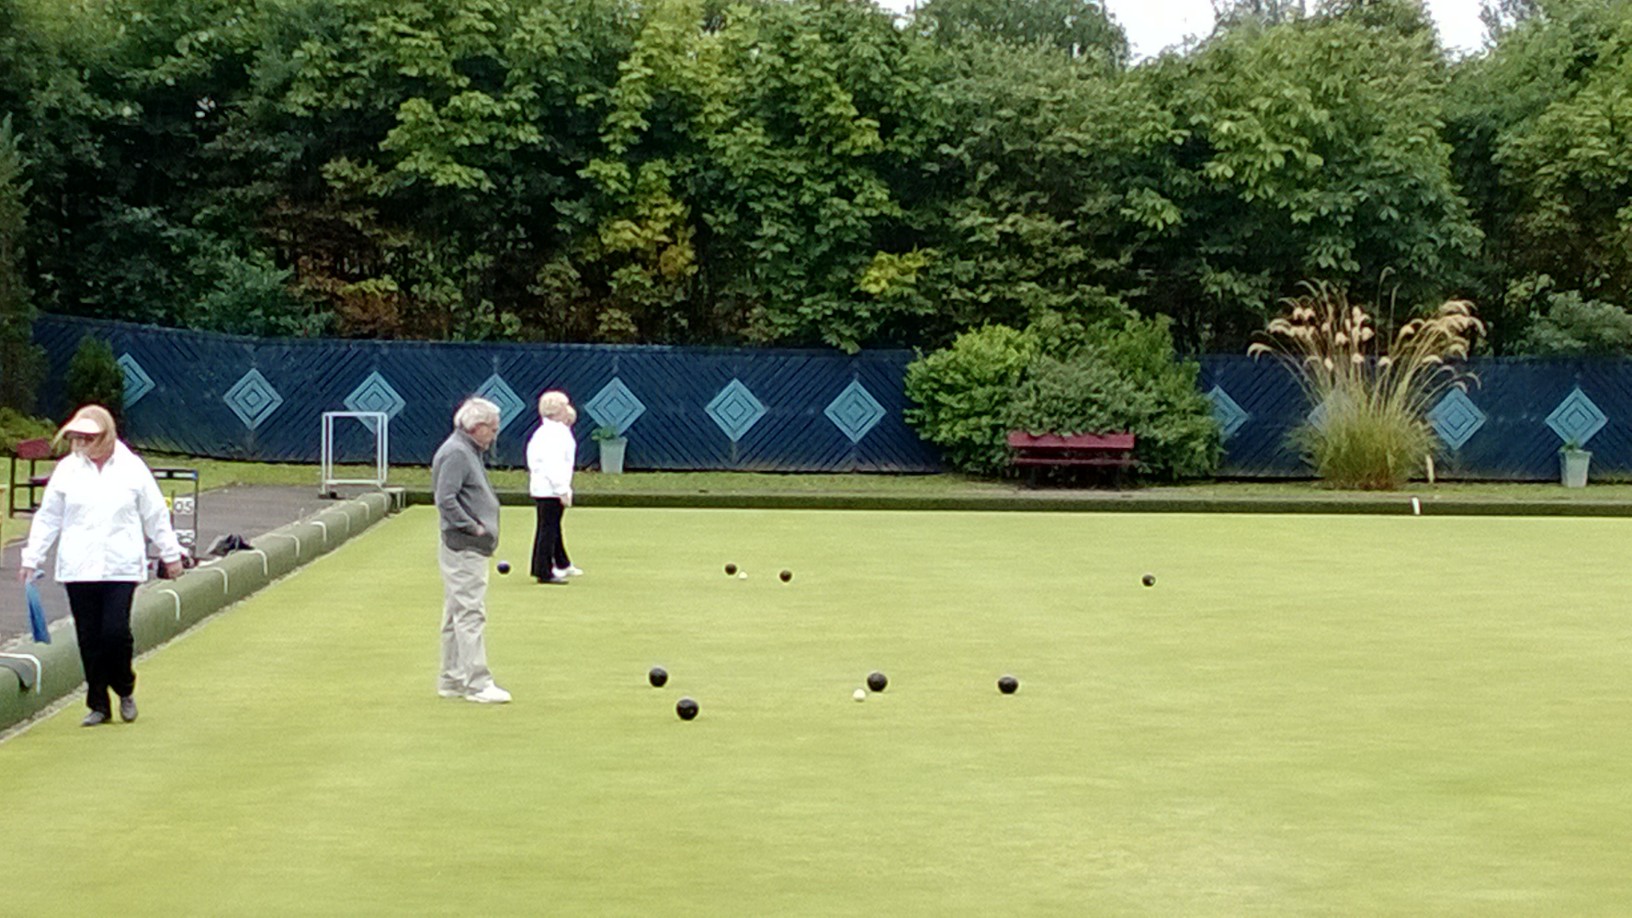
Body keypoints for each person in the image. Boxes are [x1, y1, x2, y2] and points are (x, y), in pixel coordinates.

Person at [19, 405, 184, 727]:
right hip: (78, 566)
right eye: (78, 437)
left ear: (106, 436)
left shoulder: (132, 468)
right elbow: (49, 517)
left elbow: (154, 514)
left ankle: (124, 687)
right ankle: (98, 704)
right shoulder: (67, 470)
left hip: (120, 565)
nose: (81, 443)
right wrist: (31, 558)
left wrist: (171, 553)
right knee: (89, 637)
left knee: (115, 632)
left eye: (89, 437)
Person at [432, 397, 510, 704]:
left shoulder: (466, 450)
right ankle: (478, 683)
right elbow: (445, 499)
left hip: (466, 545)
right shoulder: (457, 453)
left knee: (456, 612)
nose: (495, 435)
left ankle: (451, 679)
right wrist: (473, 527)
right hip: (464, 545)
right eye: (493, 429)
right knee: (469, 612)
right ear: (477, 427)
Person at [527, 391, 582, 585]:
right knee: (548, 529)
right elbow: (553, 464)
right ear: (557, 410)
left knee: (552, 526)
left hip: (545, 487)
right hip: (549, 489)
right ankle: (543, 570)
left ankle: (561, 562)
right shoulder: (554, 434)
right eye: (564, 406)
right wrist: (562, 489)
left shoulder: (548, 431)